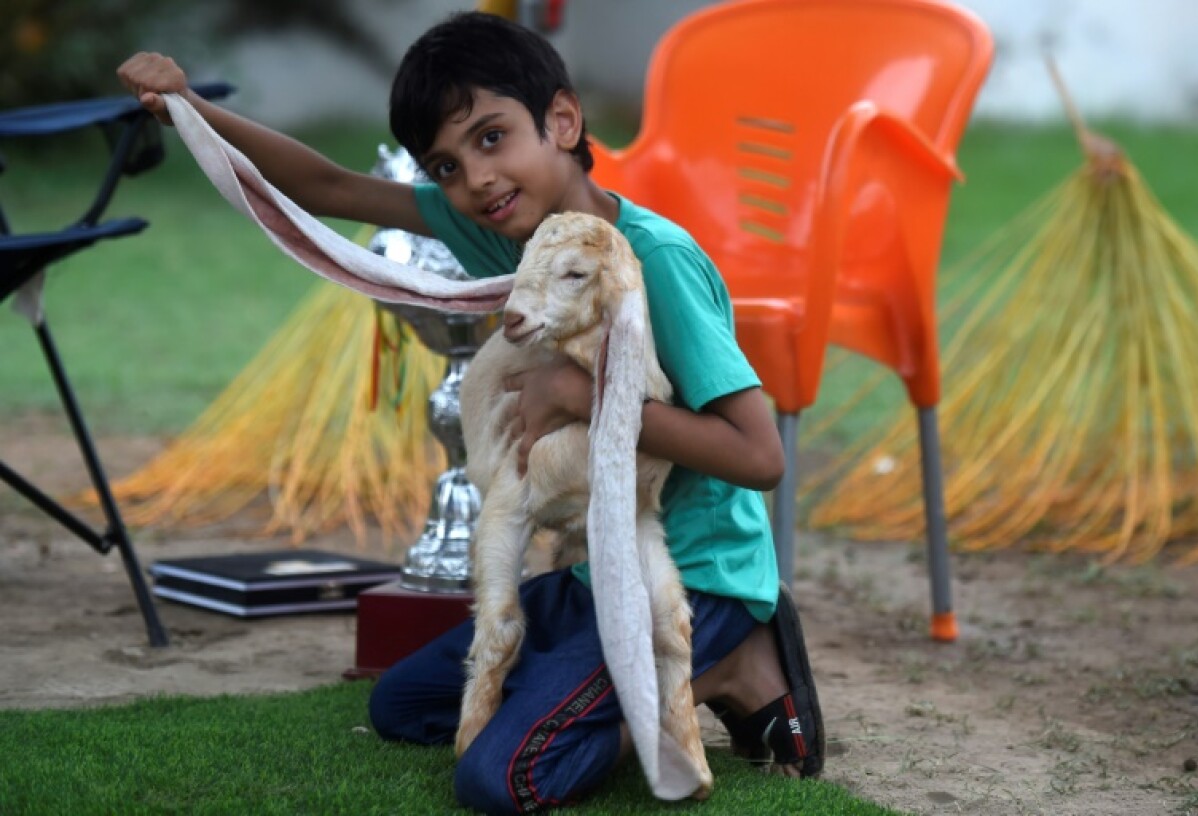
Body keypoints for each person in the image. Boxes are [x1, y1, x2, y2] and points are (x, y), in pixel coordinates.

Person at [118, 11, 824, 813]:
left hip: (693, 576)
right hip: (596, 571)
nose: (476, 179)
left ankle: (729, 662)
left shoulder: (653, 261)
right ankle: (626, 675)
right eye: (447, 166)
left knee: (500, 777)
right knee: (403, 705)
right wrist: (189, 108)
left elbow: (759, 456)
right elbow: (331, 189)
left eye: (492, 138)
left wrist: (585, 396)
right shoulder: (508, 232)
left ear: (563, 121)